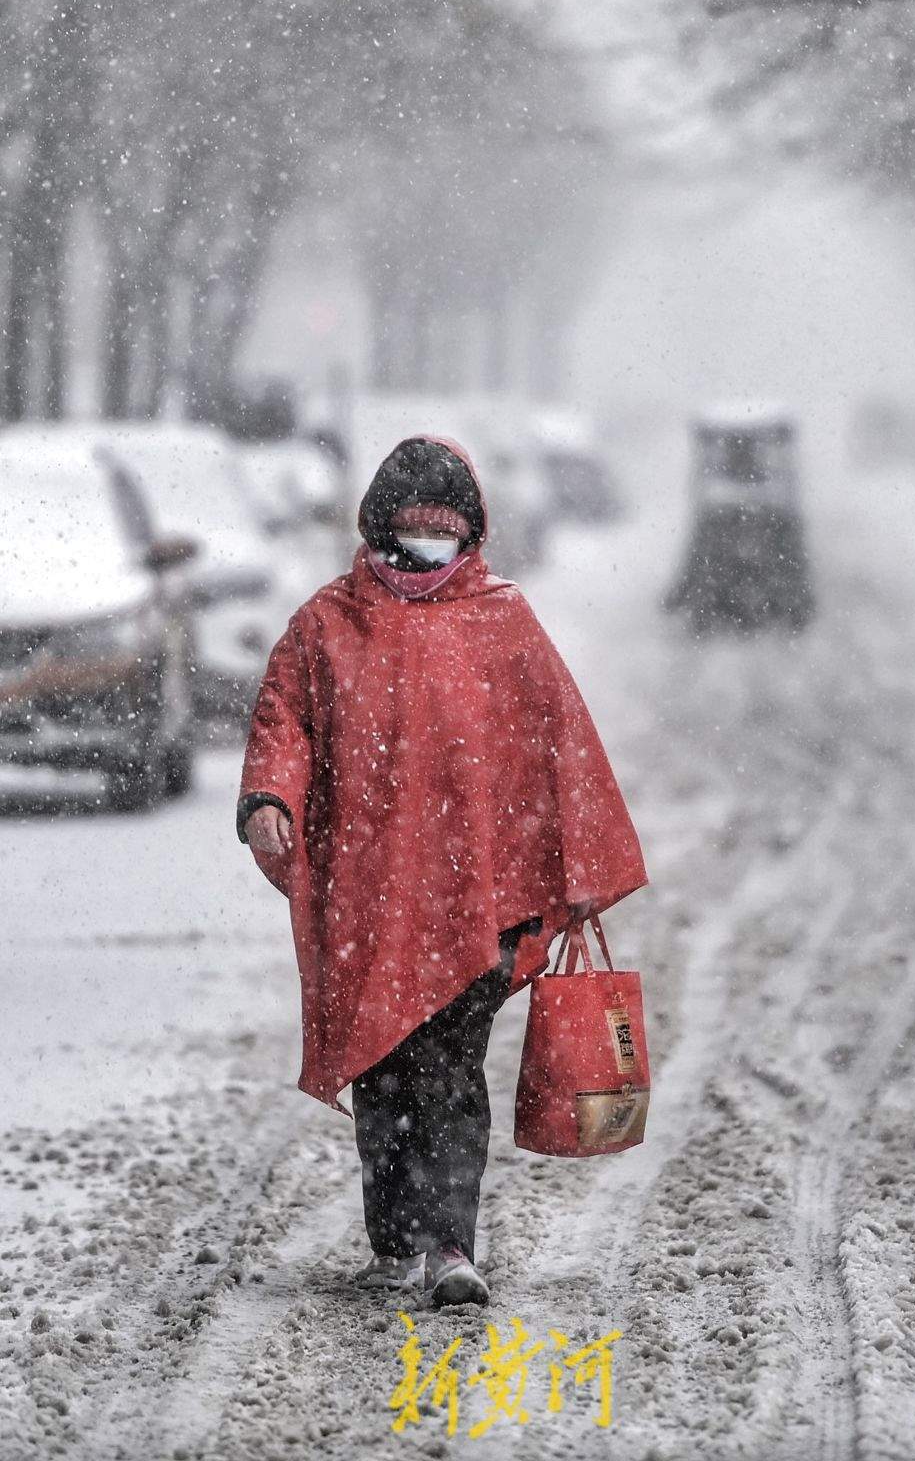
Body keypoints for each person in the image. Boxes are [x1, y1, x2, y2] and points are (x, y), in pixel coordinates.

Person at [237, 435, 647, 1308]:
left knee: (451, 1072)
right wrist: (268, 800)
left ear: (472, 537)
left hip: (478, 902)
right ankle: (395, 1243)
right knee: (383, 1070)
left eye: (441, 539)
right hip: (369, 903)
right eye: (406, 539)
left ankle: (451, 1244)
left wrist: (576, 857)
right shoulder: (323, 625)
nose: (422, 559)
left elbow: (560, 742)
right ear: (373, 531)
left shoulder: (504, 622)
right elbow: (285, 724)